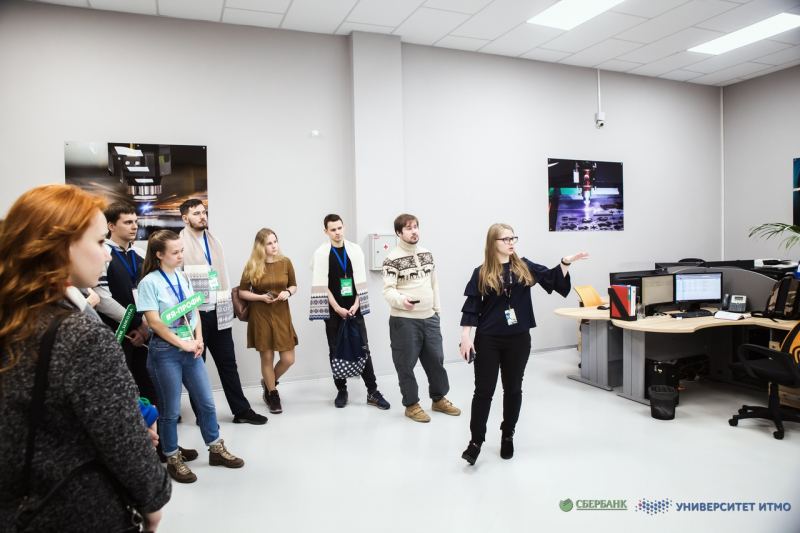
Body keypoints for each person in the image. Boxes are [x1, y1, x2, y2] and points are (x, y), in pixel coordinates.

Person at [0, 185, 170, 531]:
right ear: (62, 247)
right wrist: (153, 500)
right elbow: (124, 442)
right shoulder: (81, 335)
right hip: (76, 510)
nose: (106, 255)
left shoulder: (13, 317)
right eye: (99, 242)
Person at [459, 223, 588, 465]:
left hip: (518, 339)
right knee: (483, 391)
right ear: (493, 243)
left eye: (513, 238)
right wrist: (466, 337)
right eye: (505, 239)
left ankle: (507, 435)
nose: (511, 243)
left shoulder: (523, 266)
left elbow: (553, 280)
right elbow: (472, 307)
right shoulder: (482, 272)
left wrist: (565, 263)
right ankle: (475, 442)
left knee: (513, 389)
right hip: (488, 339)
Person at [137, 229, 245, 484]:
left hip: (190, 348)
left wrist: (198, 340)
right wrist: (183, 344)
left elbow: (194, 308)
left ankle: (215, 448)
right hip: (165, 352)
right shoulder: (149, 283)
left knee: (207, 403)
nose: (180, 256)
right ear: (159, 254)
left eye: (181, 251)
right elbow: (155, 322)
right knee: (170, 410)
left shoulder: (182, 277)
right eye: (175, 252)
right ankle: (172, 457)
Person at [179, 199, 266, 425]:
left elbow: (223, 272)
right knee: (196, 368)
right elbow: (177, 281)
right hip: (195, 316)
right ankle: (203, 415)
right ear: (185, 218)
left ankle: (241, 411)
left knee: (228, 364)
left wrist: (227, 306)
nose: (202, 216)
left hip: (219, 312)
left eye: (203, 212)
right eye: (196, 213)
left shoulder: (214, 241)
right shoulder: (179, 243)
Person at [382, 214, 460, 423]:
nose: (414, 231)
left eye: (416, 227)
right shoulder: (391, 259)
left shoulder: (427, 254)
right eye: (408, 228)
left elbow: (434, 284)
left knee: (436, 360)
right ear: (399, 233)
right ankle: (411, 405)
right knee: (405, 364)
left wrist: (437, 312)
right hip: (404, 320)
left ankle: (438, 399)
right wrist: (402, 300)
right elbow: (388, 290)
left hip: (430, 318)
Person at [309, 214, 390, 409]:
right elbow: (322, 285)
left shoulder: (355, 250)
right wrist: (337, 308)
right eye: (333, 229)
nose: (337, 232)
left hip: (355, 309)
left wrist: (356, 303)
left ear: (343, 227)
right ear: (326, 231)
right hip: (333, 311)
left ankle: (372, 392)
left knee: (363, 348)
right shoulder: (321, 254)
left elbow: (361, 280)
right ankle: (341, 390)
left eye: (339, 228)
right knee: (335, 350)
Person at [94, 201, 159, 408]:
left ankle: (158, 425)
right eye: (128, 222)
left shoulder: (140, 254)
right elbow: (102, 299)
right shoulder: (103, 254)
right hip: (117, 333)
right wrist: (137, 323)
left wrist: (145, 325)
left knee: (149, 383)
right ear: (111, 226)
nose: (134, 226)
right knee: (124, 386)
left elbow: (151, 293)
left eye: (135, 222)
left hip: (144, 331)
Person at [238, 228, 297, 414]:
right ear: (260, 246)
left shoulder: (286, 262)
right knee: (267, 357)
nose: (274, 246)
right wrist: (260, 297)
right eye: (269, 243)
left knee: (288, 359)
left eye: (275, 241)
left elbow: (293, 285)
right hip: (261, 314)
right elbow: (242, 292)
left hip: (281, 314)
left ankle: (268, 382)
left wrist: (288, 292)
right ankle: (272, 394)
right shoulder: (252, 265)